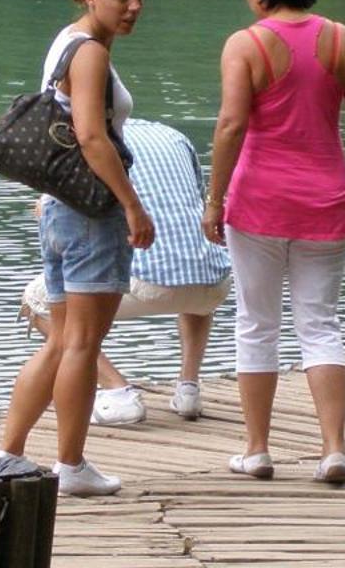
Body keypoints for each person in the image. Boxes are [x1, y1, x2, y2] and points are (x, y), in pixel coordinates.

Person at [202, 0, 345, 486]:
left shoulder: (245, 45)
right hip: (326, 200)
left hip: (257, 201)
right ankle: (333, 450)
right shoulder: (341, 39)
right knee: (320, 323)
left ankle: (257, 449)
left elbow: (232, 125)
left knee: (257, 323)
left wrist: (214, 198)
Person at [0, 0, 155, 496]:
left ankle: (10, 453)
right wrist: (133, 205)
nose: (133, 6)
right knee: (82, 344)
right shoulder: (89, 53)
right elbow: (90, 135)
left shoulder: (66, 42)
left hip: (58, 211)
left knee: (61, 339)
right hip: (91, 213)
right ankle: (70, 465)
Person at [19, 118, 233, 425]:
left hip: (145, 281)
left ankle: (117, 392)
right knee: (193, 259)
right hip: (214, 282)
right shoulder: (172, 135)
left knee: (36, 301)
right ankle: (188, 389)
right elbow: (192, 203)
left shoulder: (90, 143)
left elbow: (55, 215)